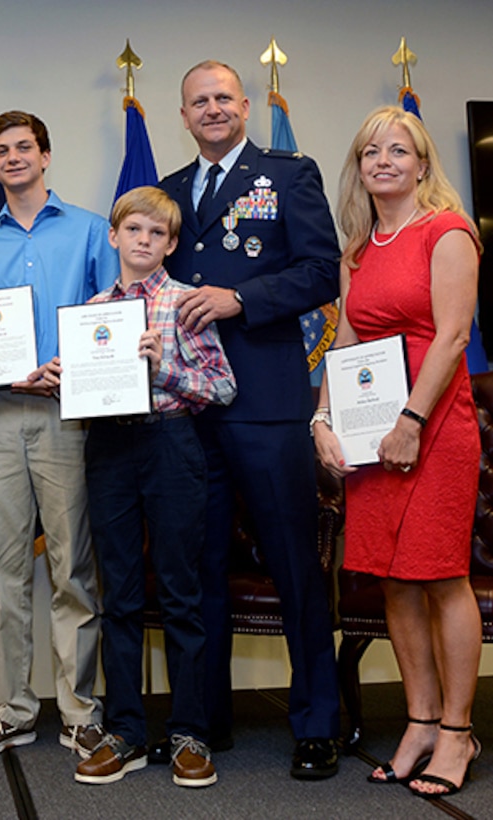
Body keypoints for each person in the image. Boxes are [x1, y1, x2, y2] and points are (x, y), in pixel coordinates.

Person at [157, 60, 343, 779]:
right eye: (198, 101)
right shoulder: (170, 192)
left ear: (243, 106)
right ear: (184, 114)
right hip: (186, 407)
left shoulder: (287, 174)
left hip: (265, 403)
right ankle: (205, 724)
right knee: (196, 568)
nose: (211, 109)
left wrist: (243, 300)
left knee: (294, 565)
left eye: (222, 98)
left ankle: (315, 723)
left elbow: (321, 272)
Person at [314, 106, 483, 798]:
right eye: (369, 152)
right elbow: (347, 343)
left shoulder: (447, 232)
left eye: (397, 150)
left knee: (441, 576)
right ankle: (416, 721)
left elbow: (449, 337)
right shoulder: (358, 249)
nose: (382, 161)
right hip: (369, 429)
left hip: (433, 425)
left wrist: (412, 418)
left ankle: (456, 731)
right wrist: (322, 417)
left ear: (420, 163)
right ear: (358, 168)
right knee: (393, 577)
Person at [0, 111, 118, 759]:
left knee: (73, 564)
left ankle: (80, 710)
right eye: (1, 151)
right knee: (2, 567)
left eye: (24, 147)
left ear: (45, 155)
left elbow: (110, 318)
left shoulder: (90, 231)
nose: (13, 158)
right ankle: (11, 708)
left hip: (67, 415)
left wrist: (73, 366)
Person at [70, 186, 235, 788]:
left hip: (171, 442)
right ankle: (126, 733)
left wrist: (161, 365)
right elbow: (86, 390)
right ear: (113, 237)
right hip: (109, 448)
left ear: (170, 243)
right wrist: (65, 378)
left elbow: (223, 388)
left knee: (180, 592)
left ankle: (190, 733)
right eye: (133, 230)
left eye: (156, 234)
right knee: (118, 595)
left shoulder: (186, 302)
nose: (143, 241)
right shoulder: (91, 309)